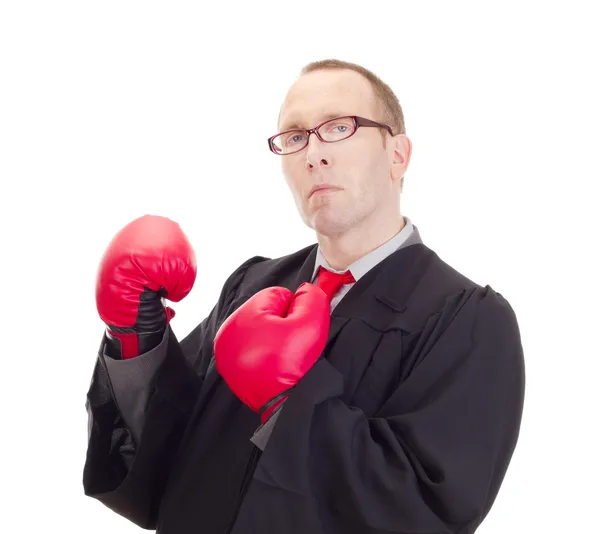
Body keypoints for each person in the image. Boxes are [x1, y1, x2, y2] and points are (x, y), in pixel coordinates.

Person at [83, 59, 526, 533]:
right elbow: (160, 467)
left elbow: (427, 512)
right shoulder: (251, 286)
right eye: (294, 137)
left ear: (397, 154)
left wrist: (288, 400)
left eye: (339, 127)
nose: (314, 154)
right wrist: (138, 339)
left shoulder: (468, 320)